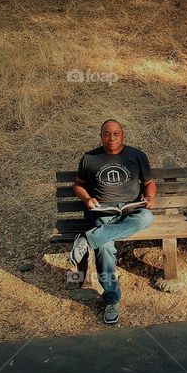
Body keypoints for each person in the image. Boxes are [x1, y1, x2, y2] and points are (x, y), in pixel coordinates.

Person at [69, 119, 157, 324]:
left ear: (122, 135)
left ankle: (88, 239)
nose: (111, 138)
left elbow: (149, 183)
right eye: (107, 134)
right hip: (103, 212)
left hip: (131, 210)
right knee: (104, 246)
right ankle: (111, 300)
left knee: (147, 217)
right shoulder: (90, 158)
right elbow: (78, 185)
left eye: (116, 134)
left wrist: (150, 198)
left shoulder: (136, 155)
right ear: (101, 136)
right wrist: (87, 199)